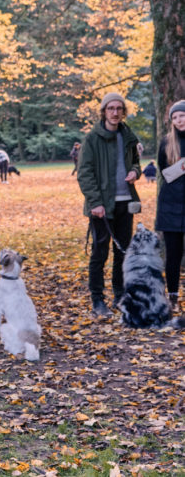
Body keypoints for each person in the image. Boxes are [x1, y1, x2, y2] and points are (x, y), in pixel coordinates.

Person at [77, 92, 141, 316]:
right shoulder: (92, 138)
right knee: (99, 252)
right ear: (103, 111)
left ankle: (120, 295)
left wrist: (135, 171)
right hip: (102, 206)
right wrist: (95, 202)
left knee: (122, 252)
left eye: (119, 108)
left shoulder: (128, 135)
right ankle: (97, 300)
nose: (115, 112)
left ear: (123, 111)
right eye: (110, 108)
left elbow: (136, 163)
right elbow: (84, 173)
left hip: (126, 202)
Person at [155, 100, 185, 313]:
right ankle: (172, 296)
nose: (178, 120)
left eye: (181, 116)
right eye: (174, 117)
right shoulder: (167, 142)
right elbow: (164, 173)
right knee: (173, 254)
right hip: (171, 205)